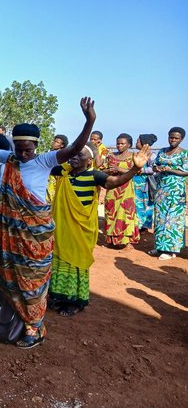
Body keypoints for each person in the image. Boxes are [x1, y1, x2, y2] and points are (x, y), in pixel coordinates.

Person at [0, 97, 96, 349]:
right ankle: (15, 321)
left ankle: (35, 328)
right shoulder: (10, 158)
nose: (23, 154)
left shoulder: (45, 161)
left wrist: (89, 121)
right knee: (10, 277)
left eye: (27, 150)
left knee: (33, 281)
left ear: (36, 146)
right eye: (19, 149)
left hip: (36, 235)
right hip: (12, 234)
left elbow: (75, 148)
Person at [50, 143, 152, 316]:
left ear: (90, 160)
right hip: (61, 229)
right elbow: (40, 166)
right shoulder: (62, 172)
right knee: (59, 261)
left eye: (80, 155)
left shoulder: (94, 175)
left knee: (77, 263)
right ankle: (59, 297)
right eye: (73, 153)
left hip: (80, 231)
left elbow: (114, 182)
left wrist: (135, 169)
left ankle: (75, 301)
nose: (75, 157)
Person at [149, 127, 188, 260]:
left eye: (176, 138)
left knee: (172, 219)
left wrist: (169, 170)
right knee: (160, 218)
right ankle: (159, 247)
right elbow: (154, 166)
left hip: (176, 191)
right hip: (161, 189)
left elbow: (186, 171)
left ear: (181, 139)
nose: (173, 140)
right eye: (171, 137)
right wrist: (158, 168)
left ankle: (171, 250)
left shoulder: (184, 153)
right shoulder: (162, 151)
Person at [104, 133, 140, 249]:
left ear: (129, 145)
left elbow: (137, 171)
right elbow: (102, 170)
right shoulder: (110, 156)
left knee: (125, 213)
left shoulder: (133, 156)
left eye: (122, 144)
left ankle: (125, 241)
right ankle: (111, 239)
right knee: (111, 211)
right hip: (112, 187)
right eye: (118, 143)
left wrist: (119, 169)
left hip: (126, 189)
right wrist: (110, 171)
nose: (119, 146)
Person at [132, 134, 158, 232]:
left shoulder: (151, 155)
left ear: (144, 144)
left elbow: (155, 169)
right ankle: (137, 225)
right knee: (137, 205)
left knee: (145, 205)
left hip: (145, 185)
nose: (136, 143)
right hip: (136, 183)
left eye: (138, 141)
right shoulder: (137, 154)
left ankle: (143, 226)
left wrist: (142, 170)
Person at [46, 134, 69, 204]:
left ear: (62, 145)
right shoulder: (49, 153)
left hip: (57, 180)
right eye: (54, 141)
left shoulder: (62, 155)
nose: (54, 143)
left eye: (57, 142)